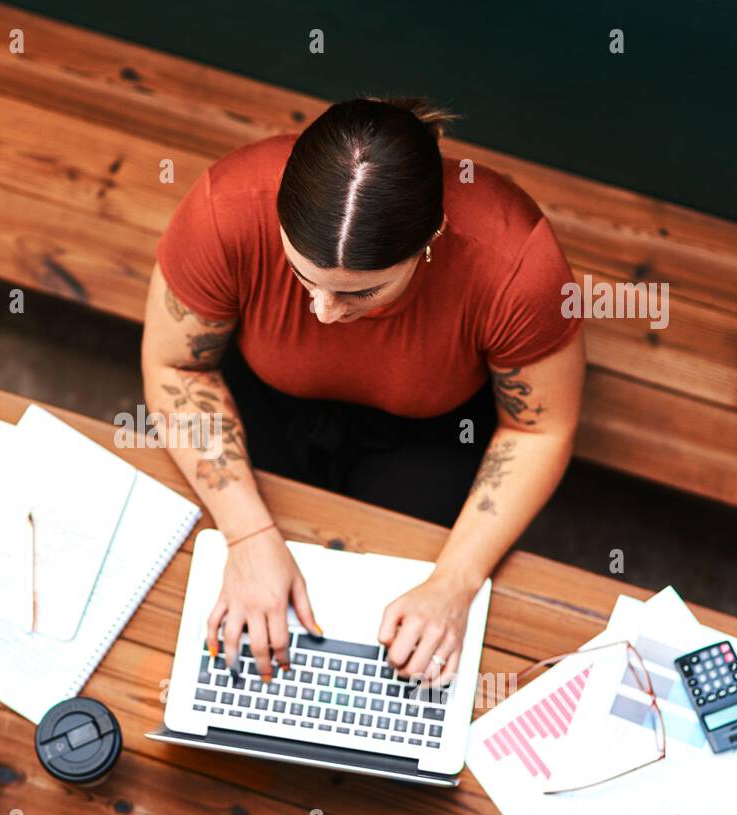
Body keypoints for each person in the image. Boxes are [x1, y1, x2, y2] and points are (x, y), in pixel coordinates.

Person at [142, 97, 584, 687]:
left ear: (430, 240)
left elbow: (538, 428)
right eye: (303, 275)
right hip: (265, 400)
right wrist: (246, 535)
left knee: (389, 635)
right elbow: (177, 367)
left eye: (361, 292)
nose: (324, 312)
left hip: (430, 429)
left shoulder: (515, 265)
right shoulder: (227, 206)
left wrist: (454, 585)